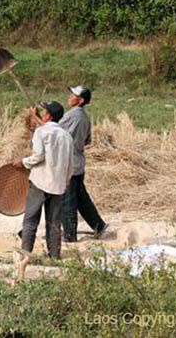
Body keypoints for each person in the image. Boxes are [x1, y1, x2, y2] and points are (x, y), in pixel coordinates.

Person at [12, 101, 74, 272]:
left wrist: (23, 162)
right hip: (58, 184)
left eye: (44, 111)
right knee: (54, 222)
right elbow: (71, 165)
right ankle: (54, 255)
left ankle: (25, 254)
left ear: (48, 116)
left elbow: (38, 156)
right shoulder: (66, 136)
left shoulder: (41, 132)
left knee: (31, 219)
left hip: (40, 182)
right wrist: (65, 181)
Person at [59, 86, 108, 243]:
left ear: (80, 101)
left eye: (73, 95)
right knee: (81, 198)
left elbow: (55, 132)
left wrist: (40, 122)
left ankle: (69, 235)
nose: (69, 96)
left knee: (68, 200)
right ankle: (98, 225)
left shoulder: (72, 115)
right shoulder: (85, 117)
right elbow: (87, 140)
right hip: (79, 162)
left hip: (69, 163)